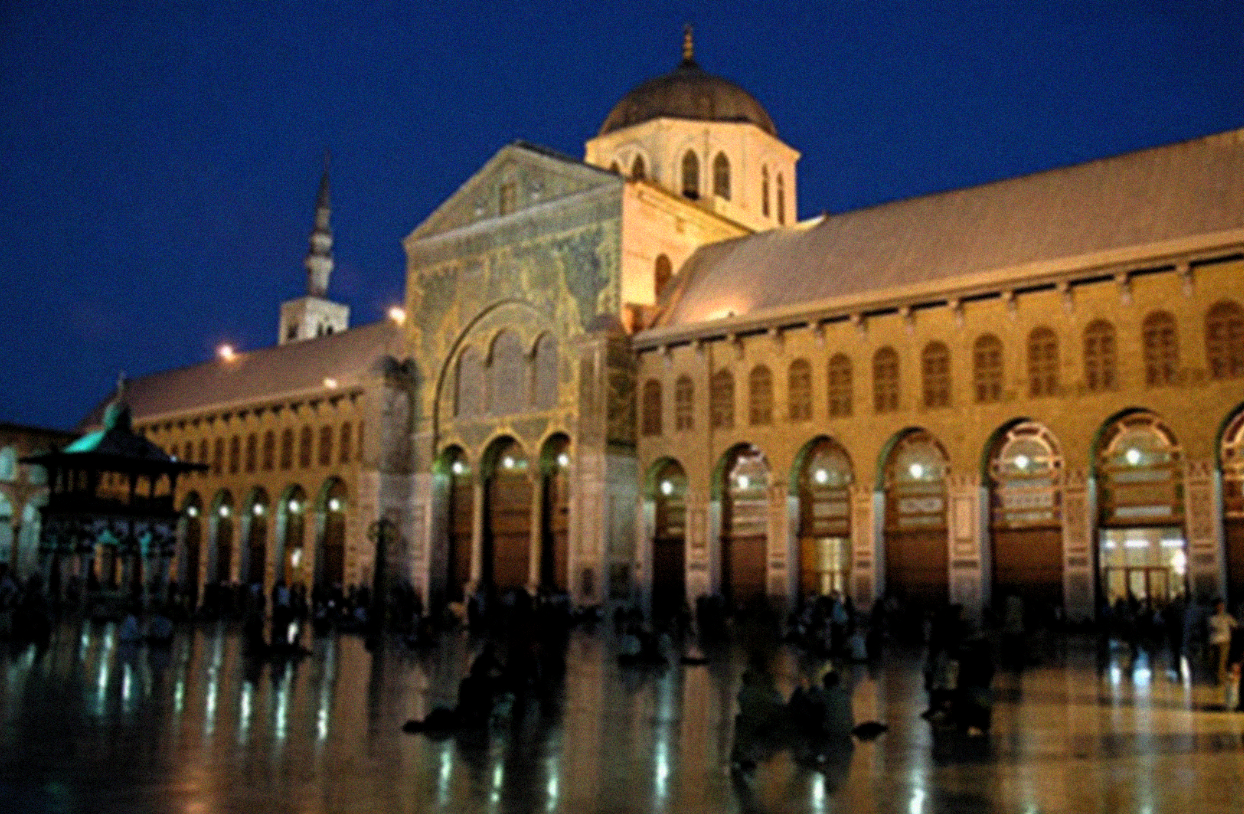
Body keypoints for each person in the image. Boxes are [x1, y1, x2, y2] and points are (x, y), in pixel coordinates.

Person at [1207, 600, 1238, 685]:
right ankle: (1218, 678)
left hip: (1224, 641)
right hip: (1214, 641)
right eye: (1219, 606)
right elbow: (1213, 627)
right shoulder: (1212, 618)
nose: (1220, 608)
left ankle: (1220, 680)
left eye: (1222, 606)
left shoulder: (1227, 616)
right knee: (1215, 661)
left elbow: (1235, 625)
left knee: (1222, 661)